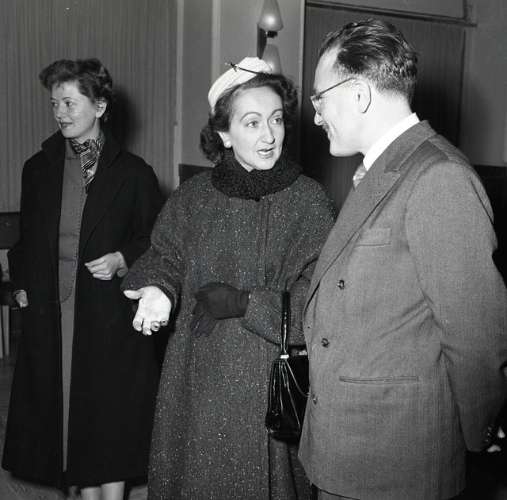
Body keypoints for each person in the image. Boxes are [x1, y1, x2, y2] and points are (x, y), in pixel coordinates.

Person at [298, 18, 507, 500]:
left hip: (394, 461)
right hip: (350, 447)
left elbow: (476, 334)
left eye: (319, 99)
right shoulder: (385, 169)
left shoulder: (439, 177)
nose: (316, 116)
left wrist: (481, 431)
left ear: (357, 95)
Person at [122, 56, 336, 499]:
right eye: (252, 122)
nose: (269, 135)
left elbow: (321, 304)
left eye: (276, 119)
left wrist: (246, 304)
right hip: (197, 379)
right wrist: (159, 290)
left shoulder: (309, 201)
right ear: (223, 133)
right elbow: (164, 255)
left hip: (272, 385)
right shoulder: (193, 198)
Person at [2, 58, 163, 500]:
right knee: (66, 416)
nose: (60, 112)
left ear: (100, 106)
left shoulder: (135, 173)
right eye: (54, 103)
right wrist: (22, 283)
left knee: (107, 417)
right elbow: (26, 241)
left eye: (70, 102)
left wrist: (122, 259)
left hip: (109, 315)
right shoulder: (39, 168)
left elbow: (156, 241)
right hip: (53, 312)